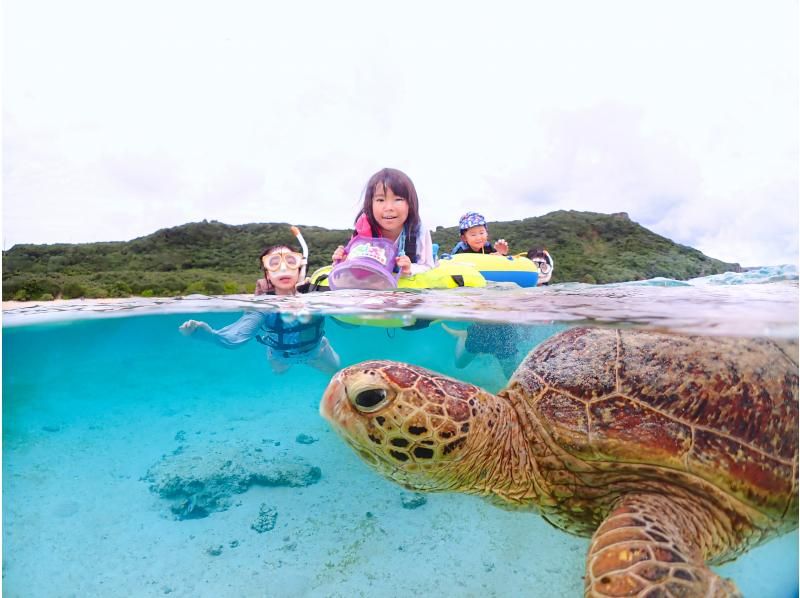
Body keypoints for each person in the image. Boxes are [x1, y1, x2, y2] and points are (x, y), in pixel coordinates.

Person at [179, 244, 340, 375]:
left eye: (290, 261)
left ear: (299, 268)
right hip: (279, 357)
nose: (283, 268)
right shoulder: (263, 306)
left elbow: (346, 322)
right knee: (279, 372)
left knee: (336, 371)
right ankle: (282, 368)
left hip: (316, 351)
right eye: (274, 263)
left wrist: (341, 269)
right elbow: (236, 337)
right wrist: (208, 335)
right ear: (268, 275)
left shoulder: (315, 295)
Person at [332, 168, 435, 277]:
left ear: (410, 204)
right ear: (370, 204)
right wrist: (342, 261)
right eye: (380, 200)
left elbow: (428, 266)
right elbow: (355, 265)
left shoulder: (419, 231)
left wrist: (409, 269)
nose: (389, 207)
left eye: (398, 199)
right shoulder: (363, 230)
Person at [440, 322, 520, 379]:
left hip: (500, 336)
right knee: (459, 364)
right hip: (479, 334)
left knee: (512, 377)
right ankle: (465, 335)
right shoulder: (477, 336)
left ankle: (467, 334)